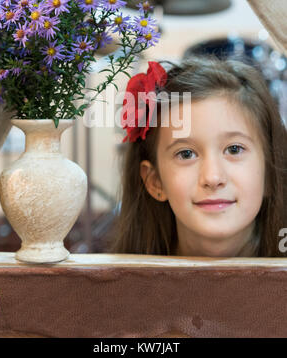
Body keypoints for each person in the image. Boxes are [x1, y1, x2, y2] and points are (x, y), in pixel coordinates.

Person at [108, 55, 287, 257]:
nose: (212, 178)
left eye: (234, 149)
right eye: (186, 154)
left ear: (271, 173)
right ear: (155, 181)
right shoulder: (123, 286)